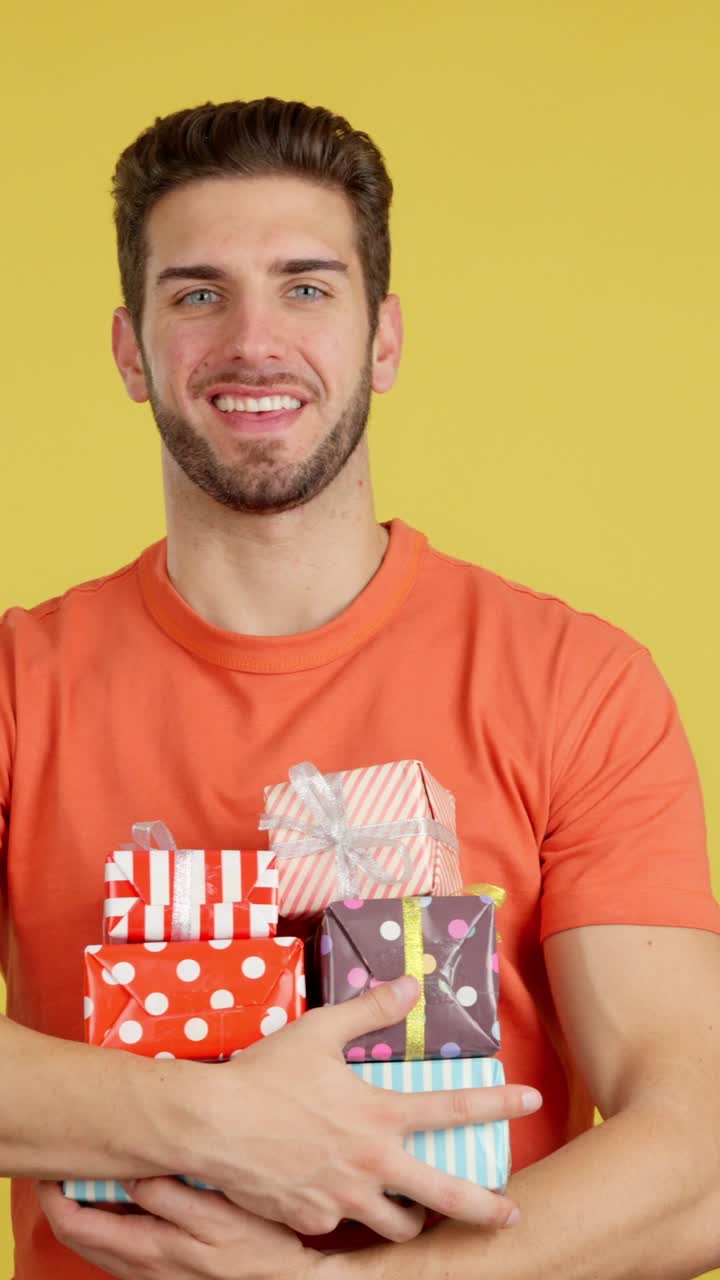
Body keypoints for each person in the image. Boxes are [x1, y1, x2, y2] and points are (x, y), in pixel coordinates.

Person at [0, 97, 718, 1280]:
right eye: (197, 293)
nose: (253, 340)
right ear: (130, 350)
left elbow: (698, 1153)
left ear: (383, 339)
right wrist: (227, 1122)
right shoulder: (21, 687)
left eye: (306, 287)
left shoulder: (573, 680)